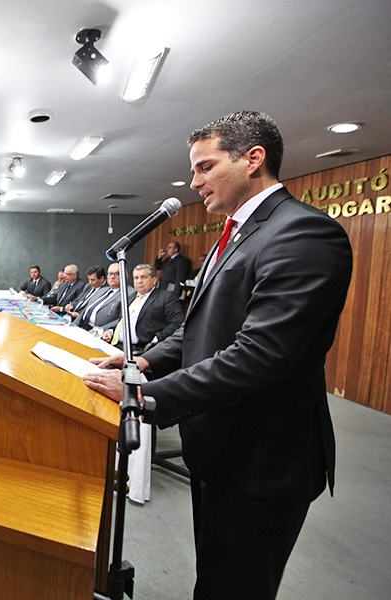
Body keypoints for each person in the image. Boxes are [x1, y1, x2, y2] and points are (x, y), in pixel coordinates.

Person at [84, 111, 353, 600]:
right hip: (219, 447)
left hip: (263, 460)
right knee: (214, 578)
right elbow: (198, 330)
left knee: (236, 587)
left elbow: (259, 355)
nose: (194, 182)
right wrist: (144, 362)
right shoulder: (235, 234)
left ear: (253, 159)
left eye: (205, 167)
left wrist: (144, 396)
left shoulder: (304, 234)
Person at [99, 264, 183, 353]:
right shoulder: (131, 297)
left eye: (143, 277)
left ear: (154, 280)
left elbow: (178, 322)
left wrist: (158, 337)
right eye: (136, 278)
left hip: (140, 349)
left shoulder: (166, 297)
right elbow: (123, 321)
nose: (139, 281)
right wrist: (111, 331)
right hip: (114, 344)